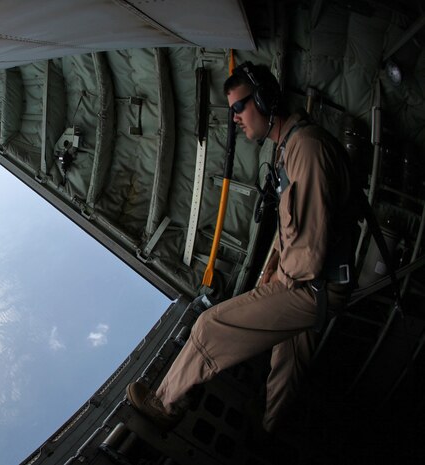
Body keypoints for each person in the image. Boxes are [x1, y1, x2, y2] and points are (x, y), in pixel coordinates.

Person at [126, 62, 354, 433]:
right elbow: (295, 225)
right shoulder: (289, 149)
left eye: (238, 108)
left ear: (265, 100)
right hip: (319, 286)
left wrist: (276, 286)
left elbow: (308, 253)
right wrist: (274, 264)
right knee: (287, 365)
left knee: (210, 327)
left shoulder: (306, 149)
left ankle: (165, 403)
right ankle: (269, 431)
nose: (234, 119)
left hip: (313, 288)